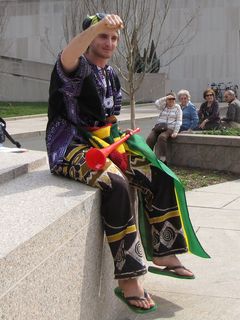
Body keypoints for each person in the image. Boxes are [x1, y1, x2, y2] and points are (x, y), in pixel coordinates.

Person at [46, 13, 208, 313]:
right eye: (102, 36)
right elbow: (67, 54)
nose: (108, 42)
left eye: (113, 38)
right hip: (70, 146)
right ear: (90, 37)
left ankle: (163, 251)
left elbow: (109, 121)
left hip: (106, 144)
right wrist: (99, 24)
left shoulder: (111, 75)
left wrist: (123, 150)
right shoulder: (76, 67)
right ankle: (129, 277)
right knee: (115, 183)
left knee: (157, 172)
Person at [146, 92, 182, 164]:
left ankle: (163, 158)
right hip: (159, 127)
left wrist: (175, 132)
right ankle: (148, 157)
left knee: (161, 137)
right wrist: (165, 98)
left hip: (169, 128)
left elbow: (179, 121)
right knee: (150, 138)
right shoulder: (163, 106)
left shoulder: (177, 108)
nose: (171, 101)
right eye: (169, 99)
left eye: (173, 99)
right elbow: (156, 103)